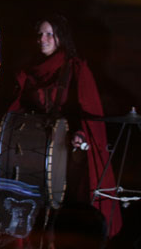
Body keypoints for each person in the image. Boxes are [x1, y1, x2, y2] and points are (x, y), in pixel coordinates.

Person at [7, 14, 122, 237]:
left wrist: (81, 133)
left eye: (50, 34)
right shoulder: (30, 71)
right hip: (36, 151)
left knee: (65, 209)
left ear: (61, 38)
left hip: (68, 154)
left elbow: (89, 109)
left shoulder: (75, 68)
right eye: (40, 34)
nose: (43, 39)